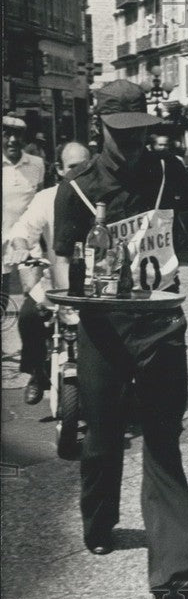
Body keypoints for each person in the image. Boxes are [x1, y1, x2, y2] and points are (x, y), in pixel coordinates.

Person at [53, 80, 188, 599]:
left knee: (162, 437)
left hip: (162, 325)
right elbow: (63, 260)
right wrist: (67, 306)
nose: (133, 144)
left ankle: (178, 567)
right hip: (104, 331)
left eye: (141, 133)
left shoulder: (168, 169)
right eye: (121, 135)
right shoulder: (77, 187)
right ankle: (100, 520)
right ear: (100, 129)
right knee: (103, 438)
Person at [5, 142, 91, 404]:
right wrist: (20, 247)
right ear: (60, 169)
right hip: (56, 281)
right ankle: (36, 372)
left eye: (86, 166)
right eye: (73, 167)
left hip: (94, 284)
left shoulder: (102, 197)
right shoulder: (46, 198)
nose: (80, 172)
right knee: (29, 317)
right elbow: (23, 229)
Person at [3, 115, 45, 308]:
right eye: (6, 134)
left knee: (33, 295)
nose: (12, 140)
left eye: (17, 135)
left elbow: (42, 200)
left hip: (27, 239)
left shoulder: (37, 164)